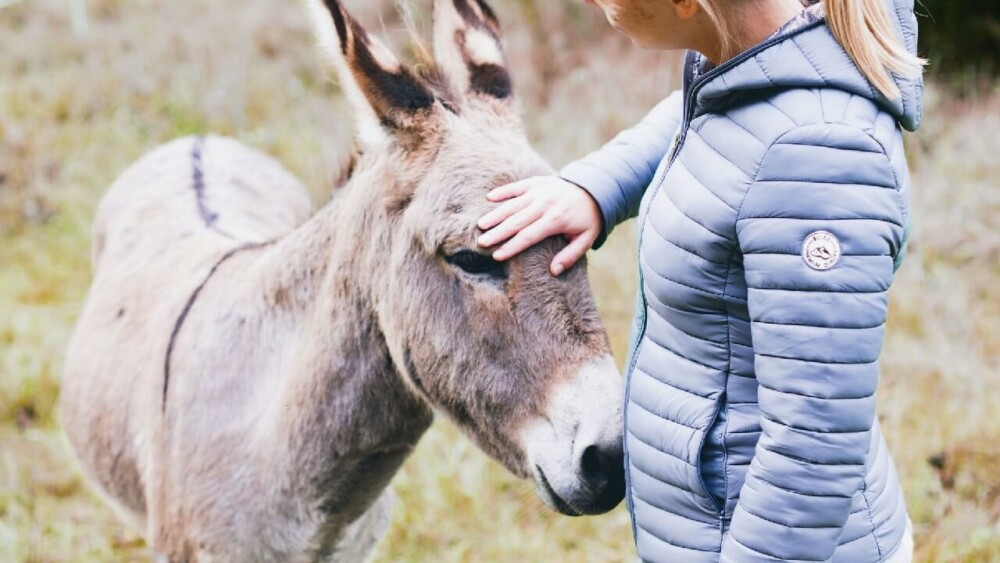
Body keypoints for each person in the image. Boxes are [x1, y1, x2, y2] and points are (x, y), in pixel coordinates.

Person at [477, 0, 924, 561]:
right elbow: (706, 121)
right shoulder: (758, 56)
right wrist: (596, 188)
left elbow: (812, 451)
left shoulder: (816, 156)